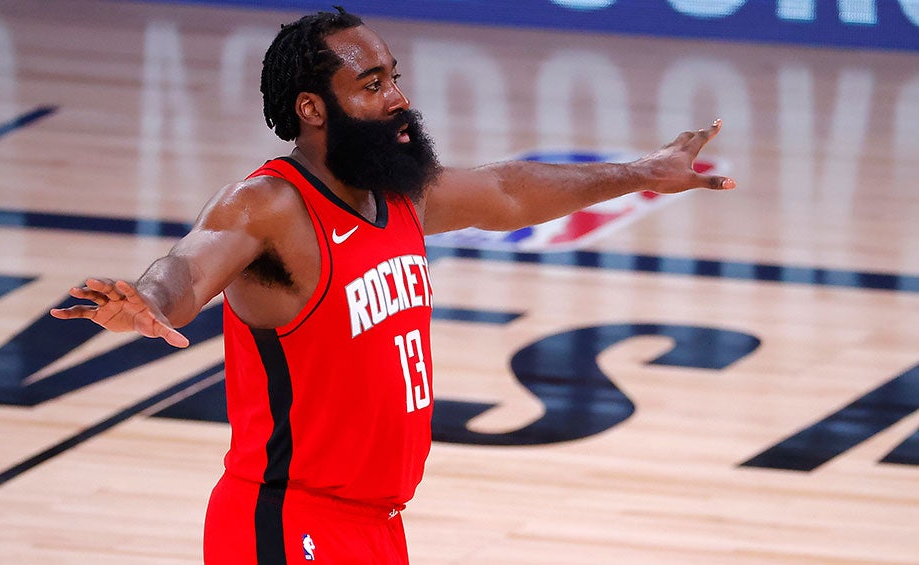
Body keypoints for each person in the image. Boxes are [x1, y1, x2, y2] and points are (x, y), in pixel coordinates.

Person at [50, 7, 736, 564]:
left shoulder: (400, 194)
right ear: (314, 110)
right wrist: (152, 299)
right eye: (373, 84)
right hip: (289, 523)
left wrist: (641, 171)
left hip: (377, 526)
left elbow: (508, 191)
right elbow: (192, 264)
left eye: (394, 78)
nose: (399, 99)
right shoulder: (269, 206)